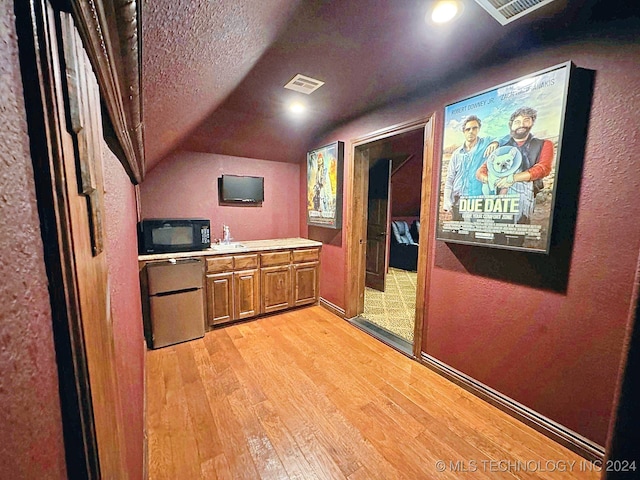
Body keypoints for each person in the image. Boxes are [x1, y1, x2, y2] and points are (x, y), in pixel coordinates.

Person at [475, 106, 554, 224]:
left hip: (525, 197)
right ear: (511, 125)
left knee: (519, 229)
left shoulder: (544, 144)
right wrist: (492, 180)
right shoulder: (500, 148)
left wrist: (513, 179)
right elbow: (481, 171)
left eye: (526, 120)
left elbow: (543, 168)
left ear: (532, 122)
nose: (521, 124)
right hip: (499, 201)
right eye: (517, 122)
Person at [442, 115, 496, 221]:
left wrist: (495, 142)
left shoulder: (484, 145)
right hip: (458, 200)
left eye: (474, 128)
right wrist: (446, 200)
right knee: (457, 232)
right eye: (468, 129)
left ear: (479, 129)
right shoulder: (456, 153)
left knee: (475, 232)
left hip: (476, 200)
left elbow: (502, 138)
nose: (471, 131)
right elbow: (450, 178)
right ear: (464, 131)